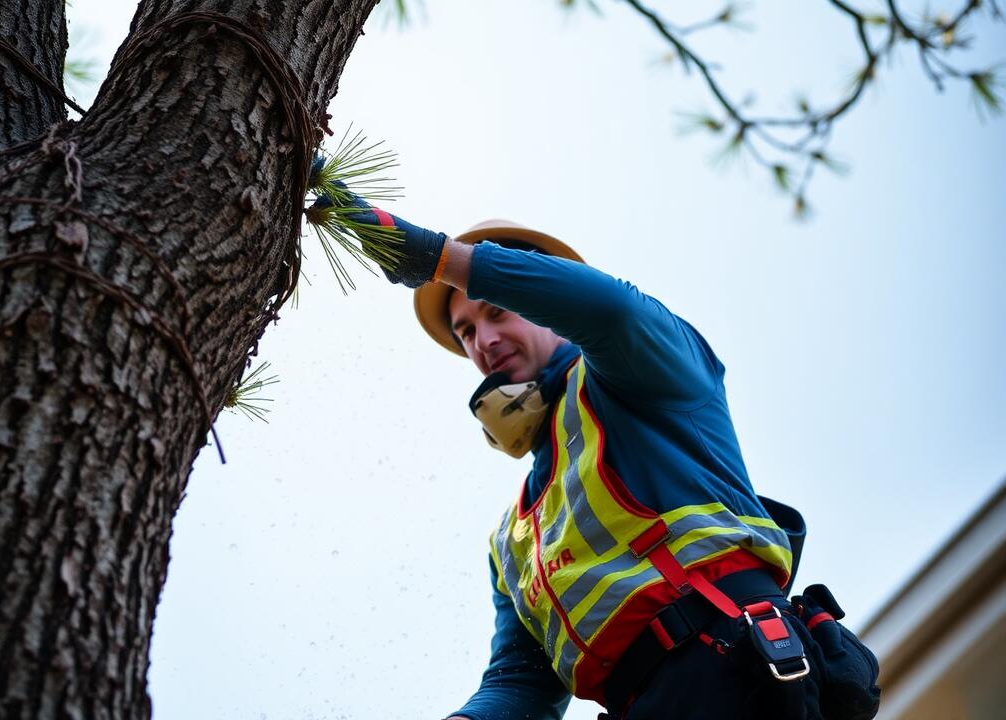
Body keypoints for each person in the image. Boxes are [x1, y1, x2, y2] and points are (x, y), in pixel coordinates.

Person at [312, 187, 881, 720]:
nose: (481, 343)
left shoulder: (639, 372)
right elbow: (521, 684)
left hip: (739, 670)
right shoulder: (511, 541)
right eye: (464, 332)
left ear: (542, 299)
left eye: (496, 310)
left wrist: (441, 259)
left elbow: (611, 312)